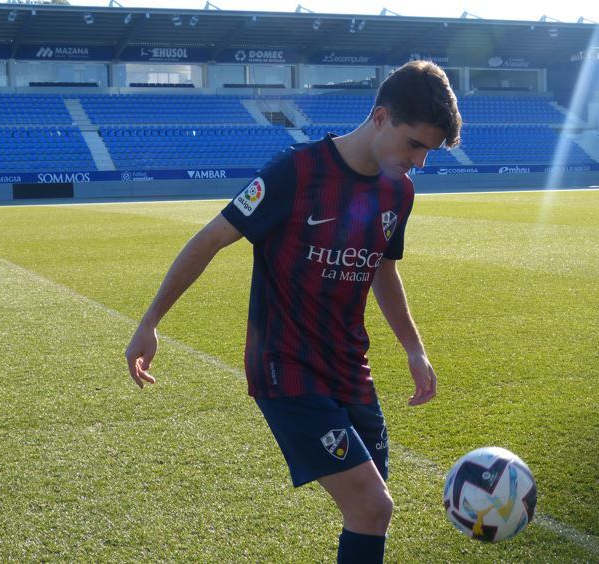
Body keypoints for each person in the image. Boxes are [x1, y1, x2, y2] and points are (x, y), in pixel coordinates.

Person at [125, 60, 462, 563]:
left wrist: (414, 348)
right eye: (415, 144)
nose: (419, 161)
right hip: (286, 366)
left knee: (370, 511)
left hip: (350, 368)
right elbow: (211, 238)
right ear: (380, 117)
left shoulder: (399, 192)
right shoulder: (296, 172)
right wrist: (150, 321)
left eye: (429, 152)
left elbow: (382, 270)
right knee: (373, 505)